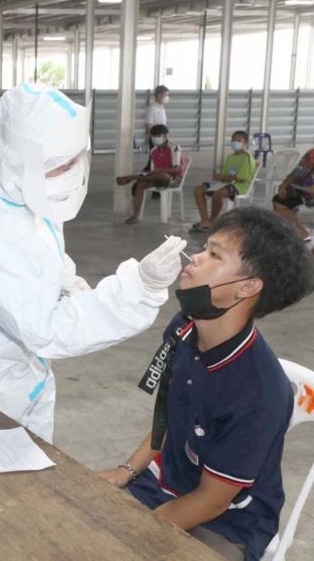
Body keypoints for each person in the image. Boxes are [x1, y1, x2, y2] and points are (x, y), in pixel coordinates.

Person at [0, 83, 187, 443]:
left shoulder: (17, 185)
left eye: (76, 159)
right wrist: (138, 289)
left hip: (12, 363)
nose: (73, 171)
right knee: (3, 461)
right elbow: (46, 330)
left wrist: (67, 282)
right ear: (22, 159)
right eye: (62, 165)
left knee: (35, 453)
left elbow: (43, 246)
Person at [98, 207, 314, 561]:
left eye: (215, 255)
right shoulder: (185, 327)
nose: (196, 258)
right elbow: (170, 417)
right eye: (204, 248)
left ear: (247, 287)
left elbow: (212, 501)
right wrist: (127, 470)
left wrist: (135, 534)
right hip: (166, 484)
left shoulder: (258, 394)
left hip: (227, 521)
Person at [116, 124, 185, 225]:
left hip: (174, 179)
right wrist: (150, 173)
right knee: (141, 184)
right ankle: (135, 215)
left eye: (158, 136)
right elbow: (152, 171)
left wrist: (159, 170)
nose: (155, 138)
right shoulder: (153, 151)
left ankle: (132, 177)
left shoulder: (174, 147)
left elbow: (177, 169)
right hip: (157, 178)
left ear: (166, 136)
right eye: (153, 136)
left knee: (161, 175)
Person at [191, 131, 257, 233]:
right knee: (199, 190)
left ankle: (212, 220)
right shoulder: (230, 157)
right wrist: (219, 177)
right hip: (226, 183)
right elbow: (225, 176)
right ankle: (205, 220)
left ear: (246, 143)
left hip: (240, 185)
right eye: (233, 140)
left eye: (239, 141)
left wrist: (222, 177)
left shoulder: (247, 158)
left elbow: (240, 178)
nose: (235, 143)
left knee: (218, 194)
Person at [272, 148, 314, 245]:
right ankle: (302, 232)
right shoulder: (312, 155)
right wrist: (284, 184)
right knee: (279, 201)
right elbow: (298, 173)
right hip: (307, 192)